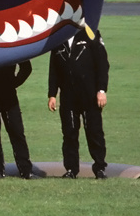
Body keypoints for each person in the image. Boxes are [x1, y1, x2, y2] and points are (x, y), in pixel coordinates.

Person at [47, 28, 110, 179]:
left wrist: (101, 90)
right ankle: (71, 169)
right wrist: (52, 94)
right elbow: (53, 69)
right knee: (69, 133)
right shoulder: (59, 38)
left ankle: (100, 167)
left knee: (94, 132)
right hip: (68, 97)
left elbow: (102, 64)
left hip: (89, 95)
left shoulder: (90, 34)